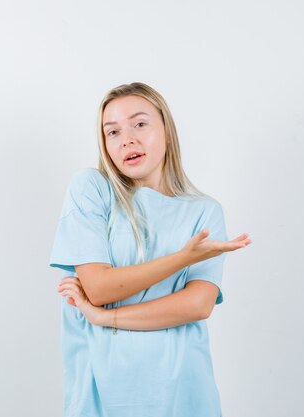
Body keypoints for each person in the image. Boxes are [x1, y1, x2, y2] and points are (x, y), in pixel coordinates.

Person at [48, 82, 252, 417]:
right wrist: (182, 259)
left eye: (140, 124)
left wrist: (104, 317)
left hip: (182, 390)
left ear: (167, 132)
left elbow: (198, 305)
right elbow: (99, 287)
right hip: (103, 391)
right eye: (112, 132)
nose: (126, 138)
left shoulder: (204, 211)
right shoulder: (92, 189)